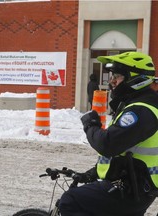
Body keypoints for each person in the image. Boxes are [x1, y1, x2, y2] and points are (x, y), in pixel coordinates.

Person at [59, 51, 158, 216]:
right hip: (134, 185)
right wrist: (92, 173)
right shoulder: (136, 106)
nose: (112, 81)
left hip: (131, 189)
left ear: (136, 80)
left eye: (118, 77)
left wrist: (91, 126)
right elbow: (123, 153)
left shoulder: (141, 111)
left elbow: (108, 144)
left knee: (70, 200)